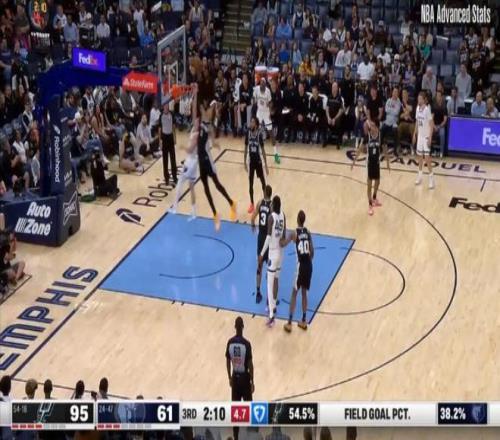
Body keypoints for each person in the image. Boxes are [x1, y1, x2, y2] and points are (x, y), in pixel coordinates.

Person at [194, 86, 237, 231]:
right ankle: (215, 214)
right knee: (206, 189)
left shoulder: (209, 126)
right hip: (200, 159)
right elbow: (198, 108)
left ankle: (231, 203)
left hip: (207, 159)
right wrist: (195, 93)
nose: (204, 110)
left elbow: (212, 137)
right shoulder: (201, 122)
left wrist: (215, 107)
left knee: (217, 185)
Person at [281, 210, 314, 332]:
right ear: (304, 220)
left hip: (300, 266)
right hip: (309, 265)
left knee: (294, 293)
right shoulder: (308, 232)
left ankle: (289, 322)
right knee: (304, 293)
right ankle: (304, 321)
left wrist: (280, 236)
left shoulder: (294, 233)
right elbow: (312, 252)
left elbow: (283, 244)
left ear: (297, 220)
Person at [351, 119, 390, 215]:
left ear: (376, 127)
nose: (370, 127)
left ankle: (374, 198)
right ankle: (370, 205)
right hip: (369, 163)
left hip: (377, 162)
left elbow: (385, 150)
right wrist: (354, 161)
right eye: (370, 126)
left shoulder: (380, 136)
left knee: (377, 181)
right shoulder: (367, 136)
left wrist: (388, 163)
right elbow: (360, 149)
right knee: (369, 183)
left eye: (372, 126)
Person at [259, 195, 286, 327]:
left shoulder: (271, 217)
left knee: (269, 284)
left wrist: (261, 253)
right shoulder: (283, 215)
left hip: (273, 252)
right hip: (281, 252)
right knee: (276, 280)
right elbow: (284, 236)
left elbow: (269, 237)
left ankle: (271, 316)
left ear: (273, 205)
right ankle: (273, 307)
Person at [226, 316, 254, 440]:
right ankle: (251, 434)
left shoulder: (230, 342)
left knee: (236, 410)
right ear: (242, 327)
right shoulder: (246, 344)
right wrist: (252, 381)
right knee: (249, 407)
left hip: (235, 378)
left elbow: (227, 361)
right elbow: (250, 364)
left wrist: (229, 377)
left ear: (235, 327)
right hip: (244, 378)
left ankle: (236, 436)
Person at [169, 118, 199, 220]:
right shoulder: (195, 130)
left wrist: (182, 147)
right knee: (191, 187)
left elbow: (190, 150)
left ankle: (175, 208)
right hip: (194, 162)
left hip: (190, 162)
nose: (195, 121)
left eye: (197, 121)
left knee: (180, 182)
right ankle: (194, 212)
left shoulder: (197, 135)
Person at [251, 185, 272, 304]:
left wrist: (253, 226)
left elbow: (252, 218)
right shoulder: (272, 206)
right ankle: (269, 297)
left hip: (260, 237)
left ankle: (258, 292)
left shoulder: (259, 203)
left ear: (264, 193)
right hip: (268, 238)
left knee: (259, 265)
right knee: (270, 267)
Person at [244, 116, 268, 214]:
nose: (251, 124)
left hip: (258, 161)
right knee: (250, 183)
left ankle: (266, 201)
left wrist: (266, 165)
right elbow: (245, 148)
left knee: (263, 182)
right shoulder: (248, 134)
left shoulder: (259, 135)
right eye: (251, 122)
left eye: (253, 122)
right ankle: (252, 204)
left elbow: (263, 150)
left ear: (256, 125)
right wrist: (244, 162)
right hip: (251, 162)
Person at [253, 78, 280, 164]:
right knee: (255, 132)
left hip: (266, 112)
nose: (263, 85)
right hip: (259, 112)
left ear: (265, 85)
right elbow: (254, 99)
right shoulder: (256, 89)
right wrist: (253, 101)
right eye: (261, 83)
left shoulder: (268, 91)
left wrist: (270, 109)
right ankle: (254, 153)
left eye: (264, 84)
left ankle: (276, 154)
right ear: (260, 84)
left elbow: (271, 102)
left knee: (271, 133)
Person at [413, 91, 435, 189]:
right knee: (420, 157)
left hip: (426, 136)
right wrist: (414, 134)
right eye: (418, 98)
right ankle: (420, 176)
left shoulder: (427, 110)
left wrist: (430, 137)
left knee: (427, 158)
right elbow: (417, 122)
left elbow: (431, 125)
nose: (418, 100)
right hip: (420, 136)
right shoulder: (417, 108)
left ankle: (431, 178)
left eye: (420, 99)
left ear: (424, 99)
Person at [159, 103, 178, 185]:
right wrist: (160, 140)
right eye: (165, 106)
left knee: (173, 158)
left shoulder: (172, 114)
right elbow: (159, 129)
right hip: (164, 138)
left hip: (170, 137)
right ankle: (166, 177)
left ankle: (174, 177)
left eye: (167, 106)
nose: (166, 107)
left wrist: (175, 137)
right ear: (163, 107)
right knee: (165, 159)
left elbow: (173, 126)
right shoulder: (161, 116)